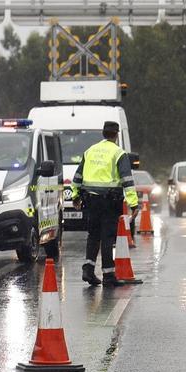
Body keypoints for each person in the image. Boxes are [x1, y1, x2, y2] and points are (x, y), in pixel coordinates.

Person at [68, 121, 138, 287]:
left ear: (103, 133)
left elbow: (77, 177)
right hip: (109, 200)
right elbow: (127, 180)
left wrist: (76, 196)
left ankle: (88, 270)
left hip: (90, 200)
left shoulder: (90, 151)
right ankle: (108, 275)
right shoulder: (119, 153)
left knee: (93, 235)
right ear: (116, 134)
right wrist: (134, 204)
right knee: (107, 236)